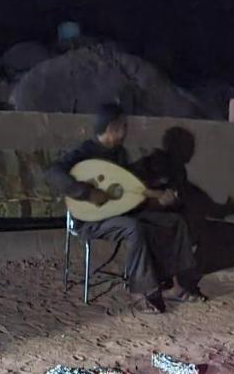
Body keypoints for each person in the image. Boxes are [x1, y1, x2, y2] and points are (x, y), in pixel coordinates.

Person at [44, 103, 206, 314]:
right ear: (112, 128)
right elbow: (51, 173)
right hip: (90, 220)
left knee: (175, 222)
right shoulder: (85, 151)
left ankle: (176, 286)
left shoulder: (119, 154)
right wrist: (87, 192)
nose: (126, 131)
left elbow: (129, 189)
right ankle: (139, 291)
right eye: (124, 126)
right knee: (134, 228)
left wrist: (159, 196)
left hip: (119, 212)